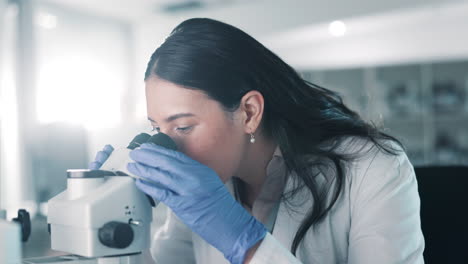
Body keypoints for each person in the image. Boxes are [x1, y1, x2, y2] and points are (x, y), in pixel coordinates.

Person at [90, 18, 425, 264]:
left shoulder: (373, 168)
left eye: (184, 126)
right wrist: (119, 225)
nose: (169, 149)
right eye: (157, 128)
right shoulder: (201, 183)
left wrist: (246, 243)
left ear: (249, 112)